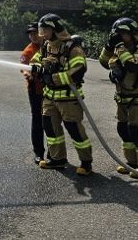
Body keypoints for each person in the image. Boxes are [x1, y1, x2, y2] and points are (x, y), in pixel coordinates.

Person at [30, 13, 93, 176]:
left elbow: (78, 71)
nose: (42, 34)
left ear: (55, 29)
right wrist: (38, 67)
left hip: (69, 98)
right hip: (49, 97)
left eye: (45, 30)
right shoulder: (46, 46)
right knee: (50, 129)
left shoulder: (72, 47)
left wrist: (53, 77)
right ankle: (57, 159)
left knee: (75, 130)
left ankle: (86, 162)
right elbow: (34, 60)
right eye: (42, 30)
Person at [98, 17, 138, 178]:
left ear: (132, 33)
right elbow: (103, 62)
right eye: (116, 34)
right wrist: (108, 46)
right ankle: (131, 163)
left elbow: (133, 65)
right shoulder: (120, 48)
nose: (119, 37)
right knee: (124, 130)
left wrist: (119, 47)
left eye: (121, 34)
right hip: (122, 99)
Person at [20, 22, 46, 165]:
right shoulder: (28, 51)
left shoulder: (49, 46)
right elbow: (24, 68)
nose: (33, 36)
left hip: (52, 90)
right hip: (35, 91)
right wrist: (29, 74)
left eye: (35, 33)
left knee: (52, 122)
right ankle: (39, 153)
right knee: (37, 121)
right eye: (30, 34)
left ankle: (56, 155)